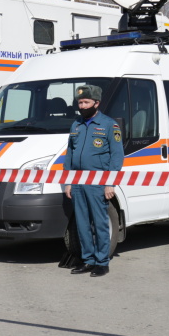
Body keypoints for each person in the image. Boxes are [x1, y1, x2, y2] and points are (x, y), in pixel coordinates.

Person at [63, 84, 124, 277]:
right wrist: (68, 181)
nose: (82, 106)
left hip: (98, 181)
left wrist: (110, 183)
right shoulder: (76, 124)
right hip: (78, 181)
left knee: (99, 223)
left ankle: (102, 262)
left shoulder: (108, 125)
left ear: (96, 103)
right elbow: (69, 155)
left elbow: (117, 156)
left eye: (86, 102)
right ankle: (87, 260)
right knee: (82, 223)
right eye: (80, 102)